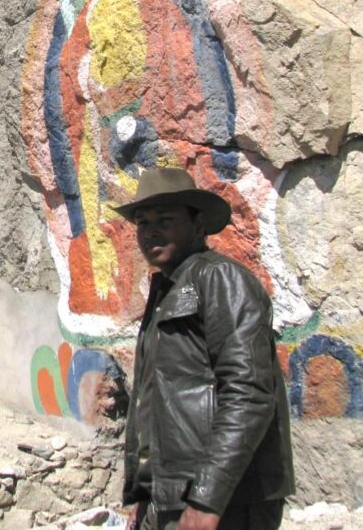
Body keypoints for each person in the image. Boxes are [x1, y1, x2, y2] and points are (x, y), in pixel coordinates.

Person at [117, 167, 294, 530]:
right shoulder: (167, 291)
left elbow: (249, 394)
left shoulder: (220, 279)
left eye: (165, 219)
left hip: (225, 502)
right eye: (143, 221)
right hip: (176, 496)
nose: (151, 230)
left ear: (198, 226)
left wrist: (207, 498)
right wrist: (147, 494)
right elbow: (158, 403)